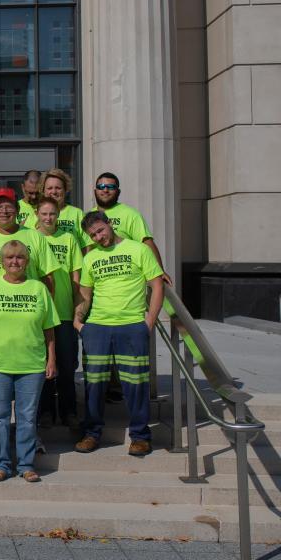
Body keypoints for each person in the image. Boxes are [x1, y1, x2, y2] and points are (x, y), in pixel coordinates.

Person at [73, 211, 164, 457]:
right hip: (97, 327)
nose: (98, 237)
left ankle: (140, 436)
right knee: (94, 384)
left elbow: (157, 285)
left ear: (110, 224)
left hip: (132, 325)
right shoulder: (91, 257)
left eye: (100, 231)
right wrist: (79, 320)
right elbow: (86, 292)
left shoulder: (138, 250)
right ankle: (92, 433)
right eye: (92, 235)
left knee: (135, 384)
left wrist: (149, 321)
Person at [0, 240, 58, 483]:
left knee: (27, 417)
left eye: (20, 257)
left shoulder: (38, 288)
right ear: (1, 261)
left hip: (31, 365)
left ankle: (27, 464)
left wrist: (52, 359)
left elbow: (49, 327)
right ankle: (2, 465)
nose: (14, 262)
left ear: (27, 261)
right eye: (9, 257)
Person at [35, 197, 84, 428]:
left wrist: (77, 311)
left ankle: (68, 411)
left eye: (52, 214)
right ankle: (45, 411)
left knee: (66, 365)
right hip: (38, 314)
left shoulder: (68, 239)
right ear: (36, 214)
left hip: (64, 312)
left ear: (58, 215)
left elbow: (76, 279)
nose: (48, 218)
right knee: (43, 365)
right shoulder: (30, 238)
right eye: (44, 214)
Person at [91, 172, 171, 283]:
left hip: (127, 277)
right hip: (98, 276)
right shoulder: (88, 217)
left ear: (118, 191)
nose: (105, 190)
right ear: (95, 191)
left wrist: (160, 271)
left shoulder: (130, 214)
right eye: (101, 187)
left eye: (111, 187)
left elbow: (146, 242)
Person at [24, 168, 87, 247]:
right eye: (49, 188)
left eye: (58, 188)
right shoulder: (33, 217)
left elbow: (87, 246)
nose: (54, 192)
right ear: (43, 191)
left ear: (65, 189)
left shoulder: (78, 214)